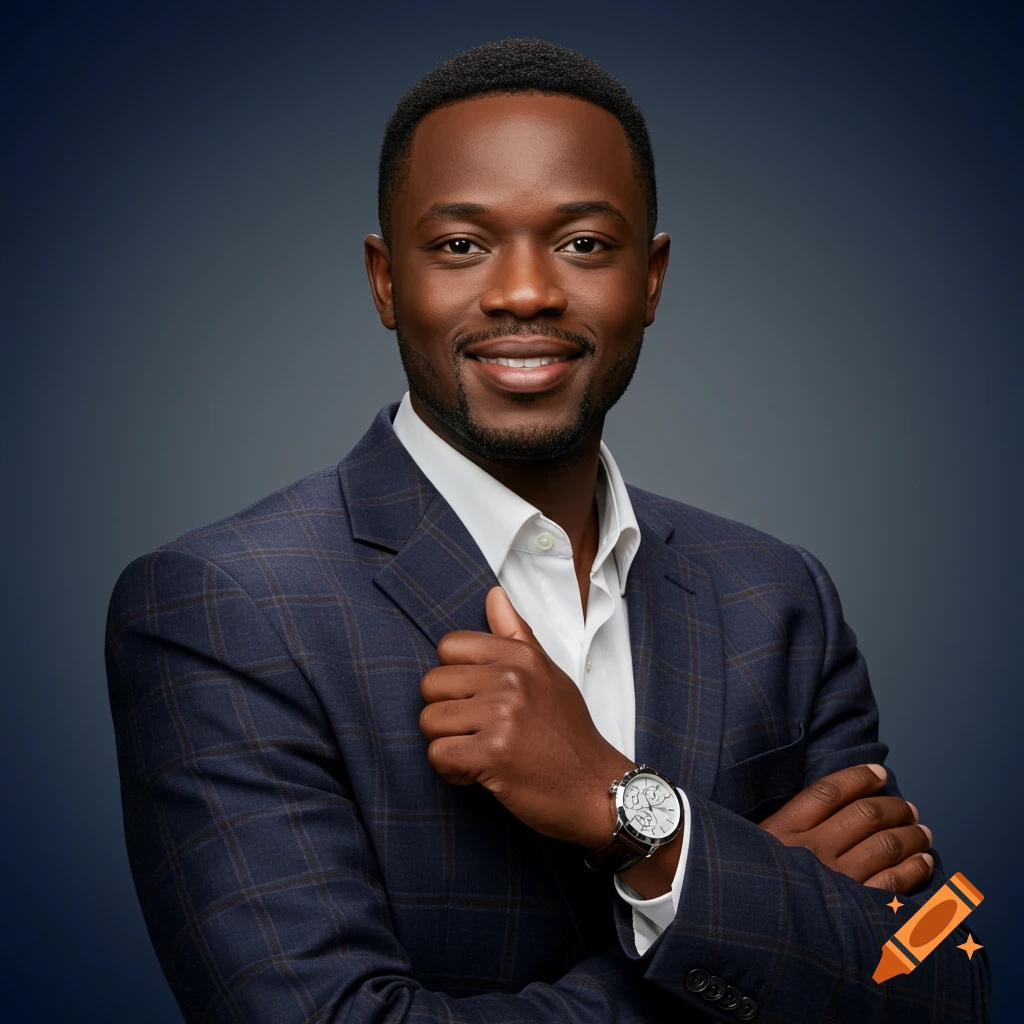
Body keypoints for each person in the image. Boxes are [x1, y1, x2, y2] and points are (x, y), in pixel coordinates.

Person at [104, 38, 990, 1023]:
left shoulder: (778, 597)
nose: (524, 291)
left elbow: (941, 972)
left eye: (581, 244)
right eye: (459, 245)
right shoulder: (223, 607)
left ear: (650, 280)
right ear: (385, 278)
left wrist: (631, 812)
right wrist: (734, 900)